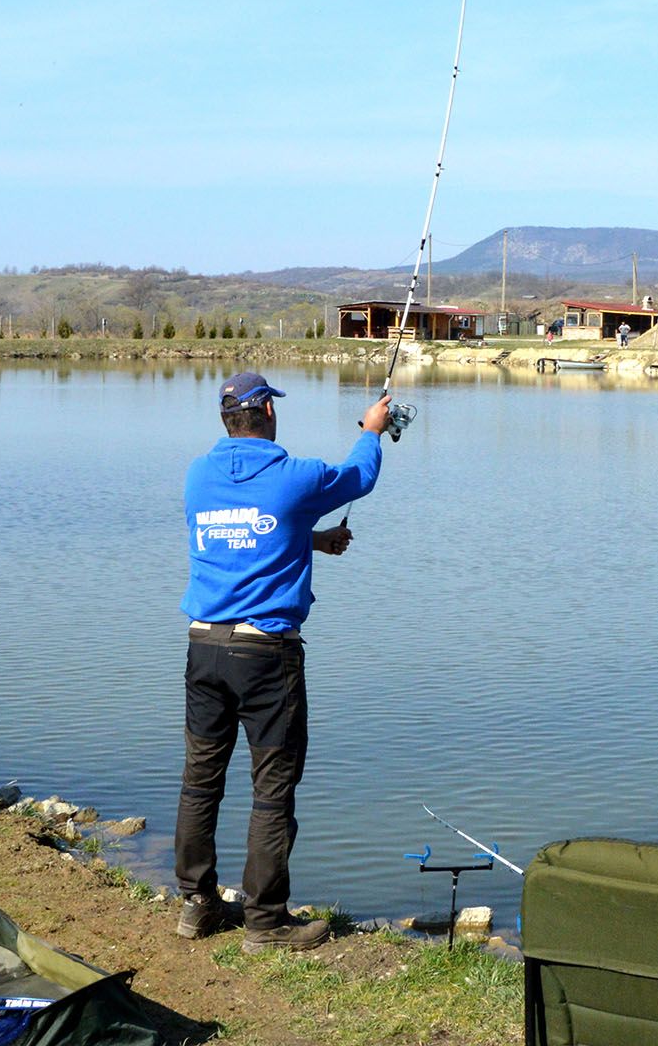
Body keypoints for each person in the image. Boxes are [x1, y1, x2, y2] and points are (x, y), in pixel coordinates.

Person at [174, 370, 391, 953]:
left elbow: (242, 532)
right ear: (267, 412)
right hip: (265, 656)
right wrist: (372, 429)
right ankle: (265, 922)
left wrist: (313, 541)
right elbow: (359, 477)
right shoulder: (297, 476)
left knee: (201, 781)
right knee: (272, 789)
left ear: (227, 419)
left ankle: (195, 905)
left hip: (203, 648)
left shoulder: (198, 475)